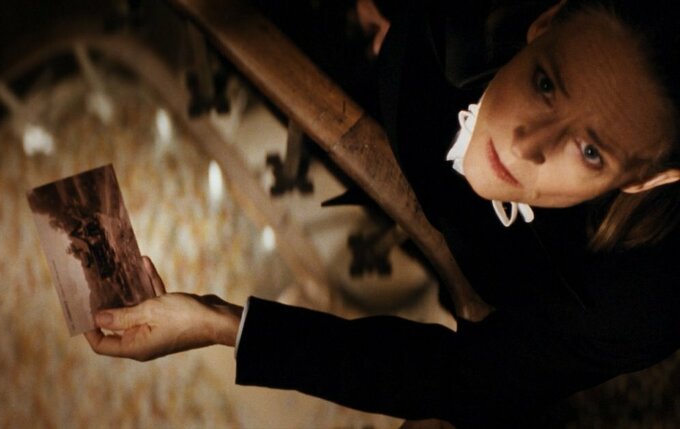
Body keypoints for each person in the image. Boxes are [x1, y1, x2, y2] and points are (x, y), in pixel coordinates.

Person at [85, 0, 680, 426]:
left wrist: (221, 324)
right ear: (543, 23)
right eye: (546, 84)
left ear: (647, 180)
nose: (526, 144)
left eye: (591, 151)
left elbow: (460, 378)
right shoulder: (439, 38)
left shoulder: (637, 305)